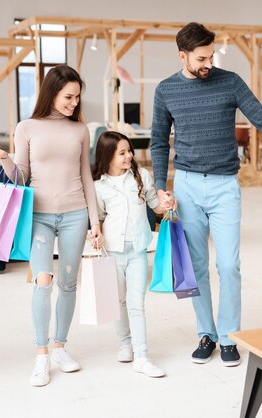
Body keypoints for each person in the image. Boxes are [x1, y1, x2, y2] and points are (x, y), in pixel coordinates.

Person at [150, 22, 262, 367]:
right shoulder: (166, 90)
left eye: (212, 55)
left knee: (229, 265)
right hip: (186, 185)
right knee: (197, 265)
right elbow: (159, 140)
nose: (208, 63)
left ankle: (230, 335)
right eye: (201, 57)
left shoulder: (229, 81)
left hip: (224, 186)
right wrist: (160, 185)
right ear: (182, 56)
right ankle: (207, 333)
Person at [0, 65, 102, 387]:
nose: (74, 103)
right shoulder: (27, 127)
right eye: (68, 97)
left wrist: (95, 220)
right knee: (43, 281)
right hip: (40, 217)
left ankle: (61, 346)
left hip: (76, 213)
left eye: (77, 97)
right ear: (51, 93)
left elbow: (86, 176)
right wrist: (5, 158)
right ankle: (41, 354)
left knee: (68, 282)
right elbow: (20, 175)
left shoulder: (80, 130)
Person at [92, 131, 170, 378]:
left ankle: (142, 355)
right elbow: (100, 219)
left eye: (130, 151)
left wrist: (166, 204)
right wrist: (96, 235)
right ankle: (124, 343)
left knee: (137, 303)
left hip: (137, 250)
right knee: (118, 302)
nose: (129, 156)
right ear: (108, 156)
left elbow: (154, 206)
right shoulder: (98, 186)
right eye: (122, 152)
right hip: (112, 251)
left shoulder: (141, 176)